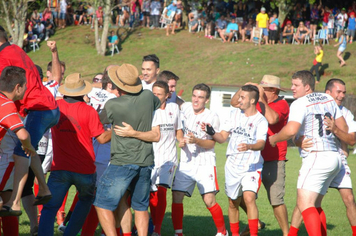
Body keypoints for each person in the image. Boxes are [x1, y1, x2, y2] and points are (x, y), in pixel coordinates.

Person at [269, 70, 348, 236]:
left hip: (316, 156)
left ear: (307, 87)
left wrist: (275, 138)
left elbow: (290, 131)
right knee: (315, 204)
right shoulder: (328, 99)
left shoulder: (300, 103)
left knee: (305, 204)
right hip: (334, 156)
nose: (292, 88)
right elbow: (344, 128)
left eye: (296, 85)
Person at [38, 73, 112, 236]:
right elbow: (101, 139)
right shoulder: (89, 111)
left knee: (50, 208)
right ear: (83, 93)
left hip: (60, 167)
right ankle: (70, 233)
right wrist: (115, 131)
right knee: (85, 201)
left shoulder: (55, 108)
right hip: (84, 169)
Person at [94, 64, 161, 236]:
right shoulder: (148, 96)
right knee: (140, 207)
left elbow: (99, 121)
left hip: (122, 161)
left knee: (102, 203)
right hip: (146, 161)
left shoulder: (113, 104)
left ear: (118, 85)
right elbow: (157, 103)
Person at [0, 25, 59, 216]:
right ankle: (43, 188)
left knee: (20, 152)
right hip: (47, 106)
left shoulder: (3, 57)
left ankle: (15, 203)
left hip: (38, 108)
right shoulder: (15, 48)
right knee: (27, 147)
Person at [288, 78, 356, 236]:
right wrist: (299, 141)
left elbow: (352, 139)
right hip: (320, 159)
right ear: (328, 93)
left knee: (349, 199)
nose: (341, 96)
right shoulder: (311, 107)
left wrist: (336, 130)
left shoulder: (345, 113)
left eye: (344, 92)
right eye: (338, 92)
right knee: (309, 202)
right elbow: (297, 135)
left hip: (336, 160)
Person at [204, 84, 267, 236]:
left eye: (242, 97)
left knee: (249, 197)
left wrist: (249, 146)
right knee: (233, 203)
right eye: (239, 96)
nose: (239, 100)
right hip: (232, 165)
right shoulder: (233, 114)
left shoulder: (261, 121)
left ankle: (253, 234)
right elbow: (222, 138)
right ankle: (235, 234)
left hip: (252, 167)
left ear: (252, 101)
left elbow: (261, 143)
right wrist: (211, 132)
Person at [232, 76, 290, 236]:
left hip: (273, 157)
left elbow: (272, 119)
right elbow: (235, 103)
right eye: (261, 87)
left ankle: (287, 233)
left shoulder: (282, 104)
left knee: (276, 200)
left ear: (274, 90)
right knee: (241, 194)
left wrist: (262, 99)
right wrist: (244, 88)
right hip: (252, 158)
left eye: (265, 88)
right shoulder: (254, 100)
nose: (262, 90)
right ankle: (255, 222)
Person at [171, 83, 227, 236]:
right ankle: (178, 233)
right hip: (186, 162)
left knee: (209, 200)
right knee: (176, 196)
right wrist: (180, 139)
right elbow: (179, 129)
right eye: (194, 96)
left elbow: (211, 143)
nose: (196, 100)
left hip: (205, 163)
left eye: (200, 97)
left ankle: (222, 232)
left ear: (206, 100)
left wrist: (196, 141)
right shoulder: (186, 108)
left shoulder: (211, 117)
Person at [0, 66, 37, 216]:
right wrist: (28, 147)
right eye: (25, 85)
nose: (27, 88)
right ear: (18, 87)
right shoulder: (6, 104)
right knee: (4, 202)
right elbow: (23, 135)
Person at [149, 81, 184, 236]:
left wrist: (181, 140)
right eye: (153, 93)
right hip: (151, 157)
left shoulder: (174, 108)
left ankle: (157, 228)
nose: (155, 97)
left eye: (159, 94)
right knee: (151, 195)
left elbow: (178, 130)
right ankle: (148, 225)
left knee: (162, 191)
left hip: (168, 158)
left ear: (167, 95)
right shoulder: (148, 110)